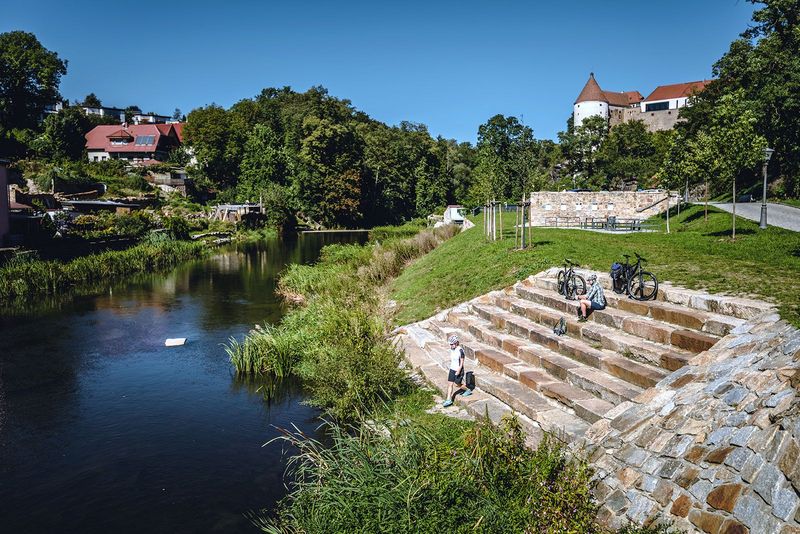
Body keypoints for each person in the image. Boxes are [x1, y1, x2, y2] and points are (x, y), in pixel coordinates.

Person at [443, 335, 471, 407]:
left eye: (452, 344)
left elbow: (461, 362)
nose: (451, 345)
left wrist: (458, 370)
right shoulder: (452, 349)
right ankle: (448, 400)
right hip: (452, 369)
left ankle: (467, 390)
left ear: (456, 343)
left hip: (458, 370)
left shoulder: (460, 351)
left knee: (457, 384)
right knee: (450, 384)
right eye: (450, 344)